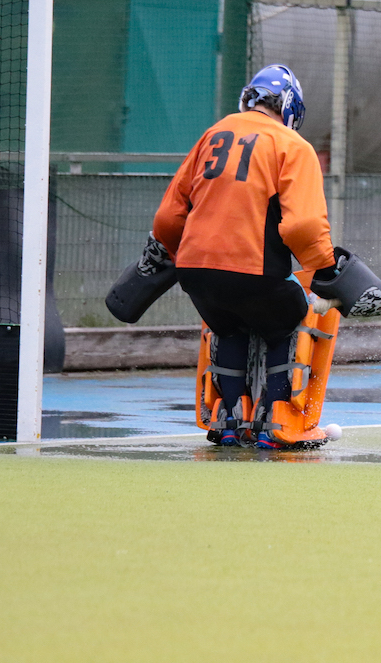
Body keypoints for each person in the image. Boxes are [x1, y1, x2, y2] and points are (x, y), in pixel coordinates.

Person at [150, 63, 338, 448]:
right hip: (254, 275)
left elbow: (169, 216)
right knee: (287, 318)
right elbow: (302, 226)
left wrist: (172, 250)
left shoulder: (212, 134)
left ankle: (228, 418)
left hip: (195, 274)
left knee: (227, 324)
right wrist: (324, 268)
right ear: (288, 108)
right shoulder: (292, 146)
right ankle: (278, 420)